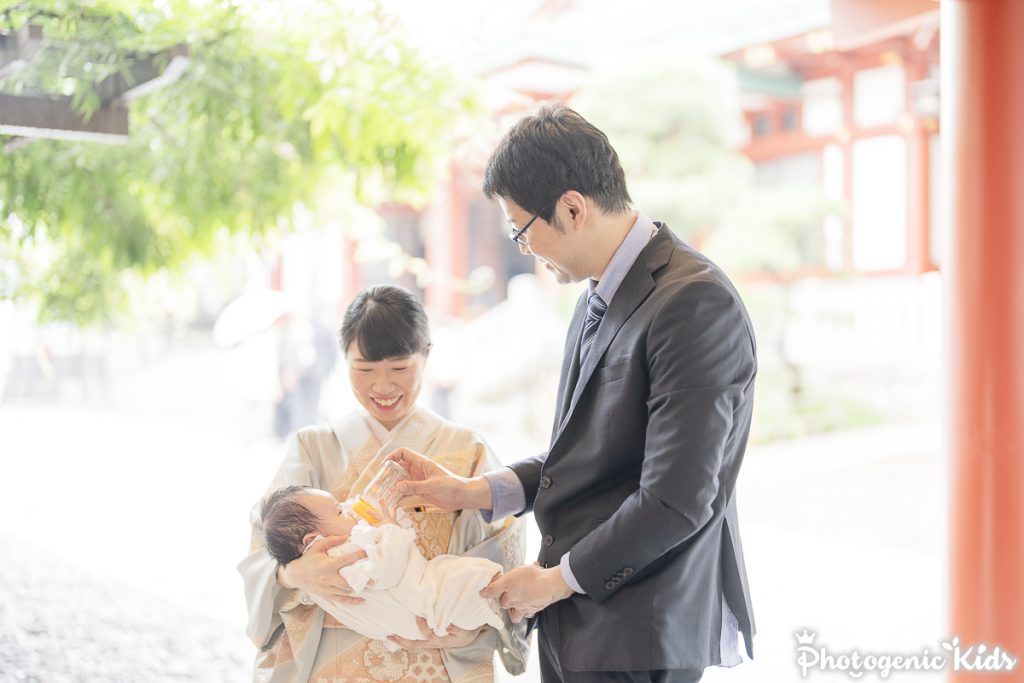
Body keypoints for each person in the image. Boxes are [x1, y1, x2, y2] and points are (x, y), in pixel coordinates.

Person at [388, 104, 757, 683]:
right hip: (582, 619)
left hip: (642, 628)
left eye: (521, 230)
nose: (523, 247)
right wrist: (474, 491)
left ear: (572, 208)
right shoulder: (594, 297)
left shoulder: (693, 302)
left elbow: (677, 499)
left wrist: (554, 581)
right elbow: (586, 454)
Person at [238, 285, 528, 683]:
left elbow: (504, 552)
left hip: (437, 651)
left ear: (426, 355)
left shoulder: (466, 450)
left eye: (399, 367)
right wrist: (292, 576)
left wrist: (475, 628)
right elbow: (264, 546)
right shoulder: (314, 447)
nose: (382, 386)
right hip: (331, 659)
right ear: (344, 362)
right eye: (365, 369)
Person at [259, 485, 506, 648]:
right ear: (312, 539)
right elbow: (389, 568)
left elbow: (402, 550)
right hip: (424, 602)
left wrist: (391, 526)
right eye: (339, 511)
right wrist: (292, 573)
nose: (348, 509)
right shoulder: (338, 558)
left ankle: (508, 601)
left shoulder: (338, 556)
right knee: (474, 578)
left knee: (473, 584)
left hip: (417, 622)